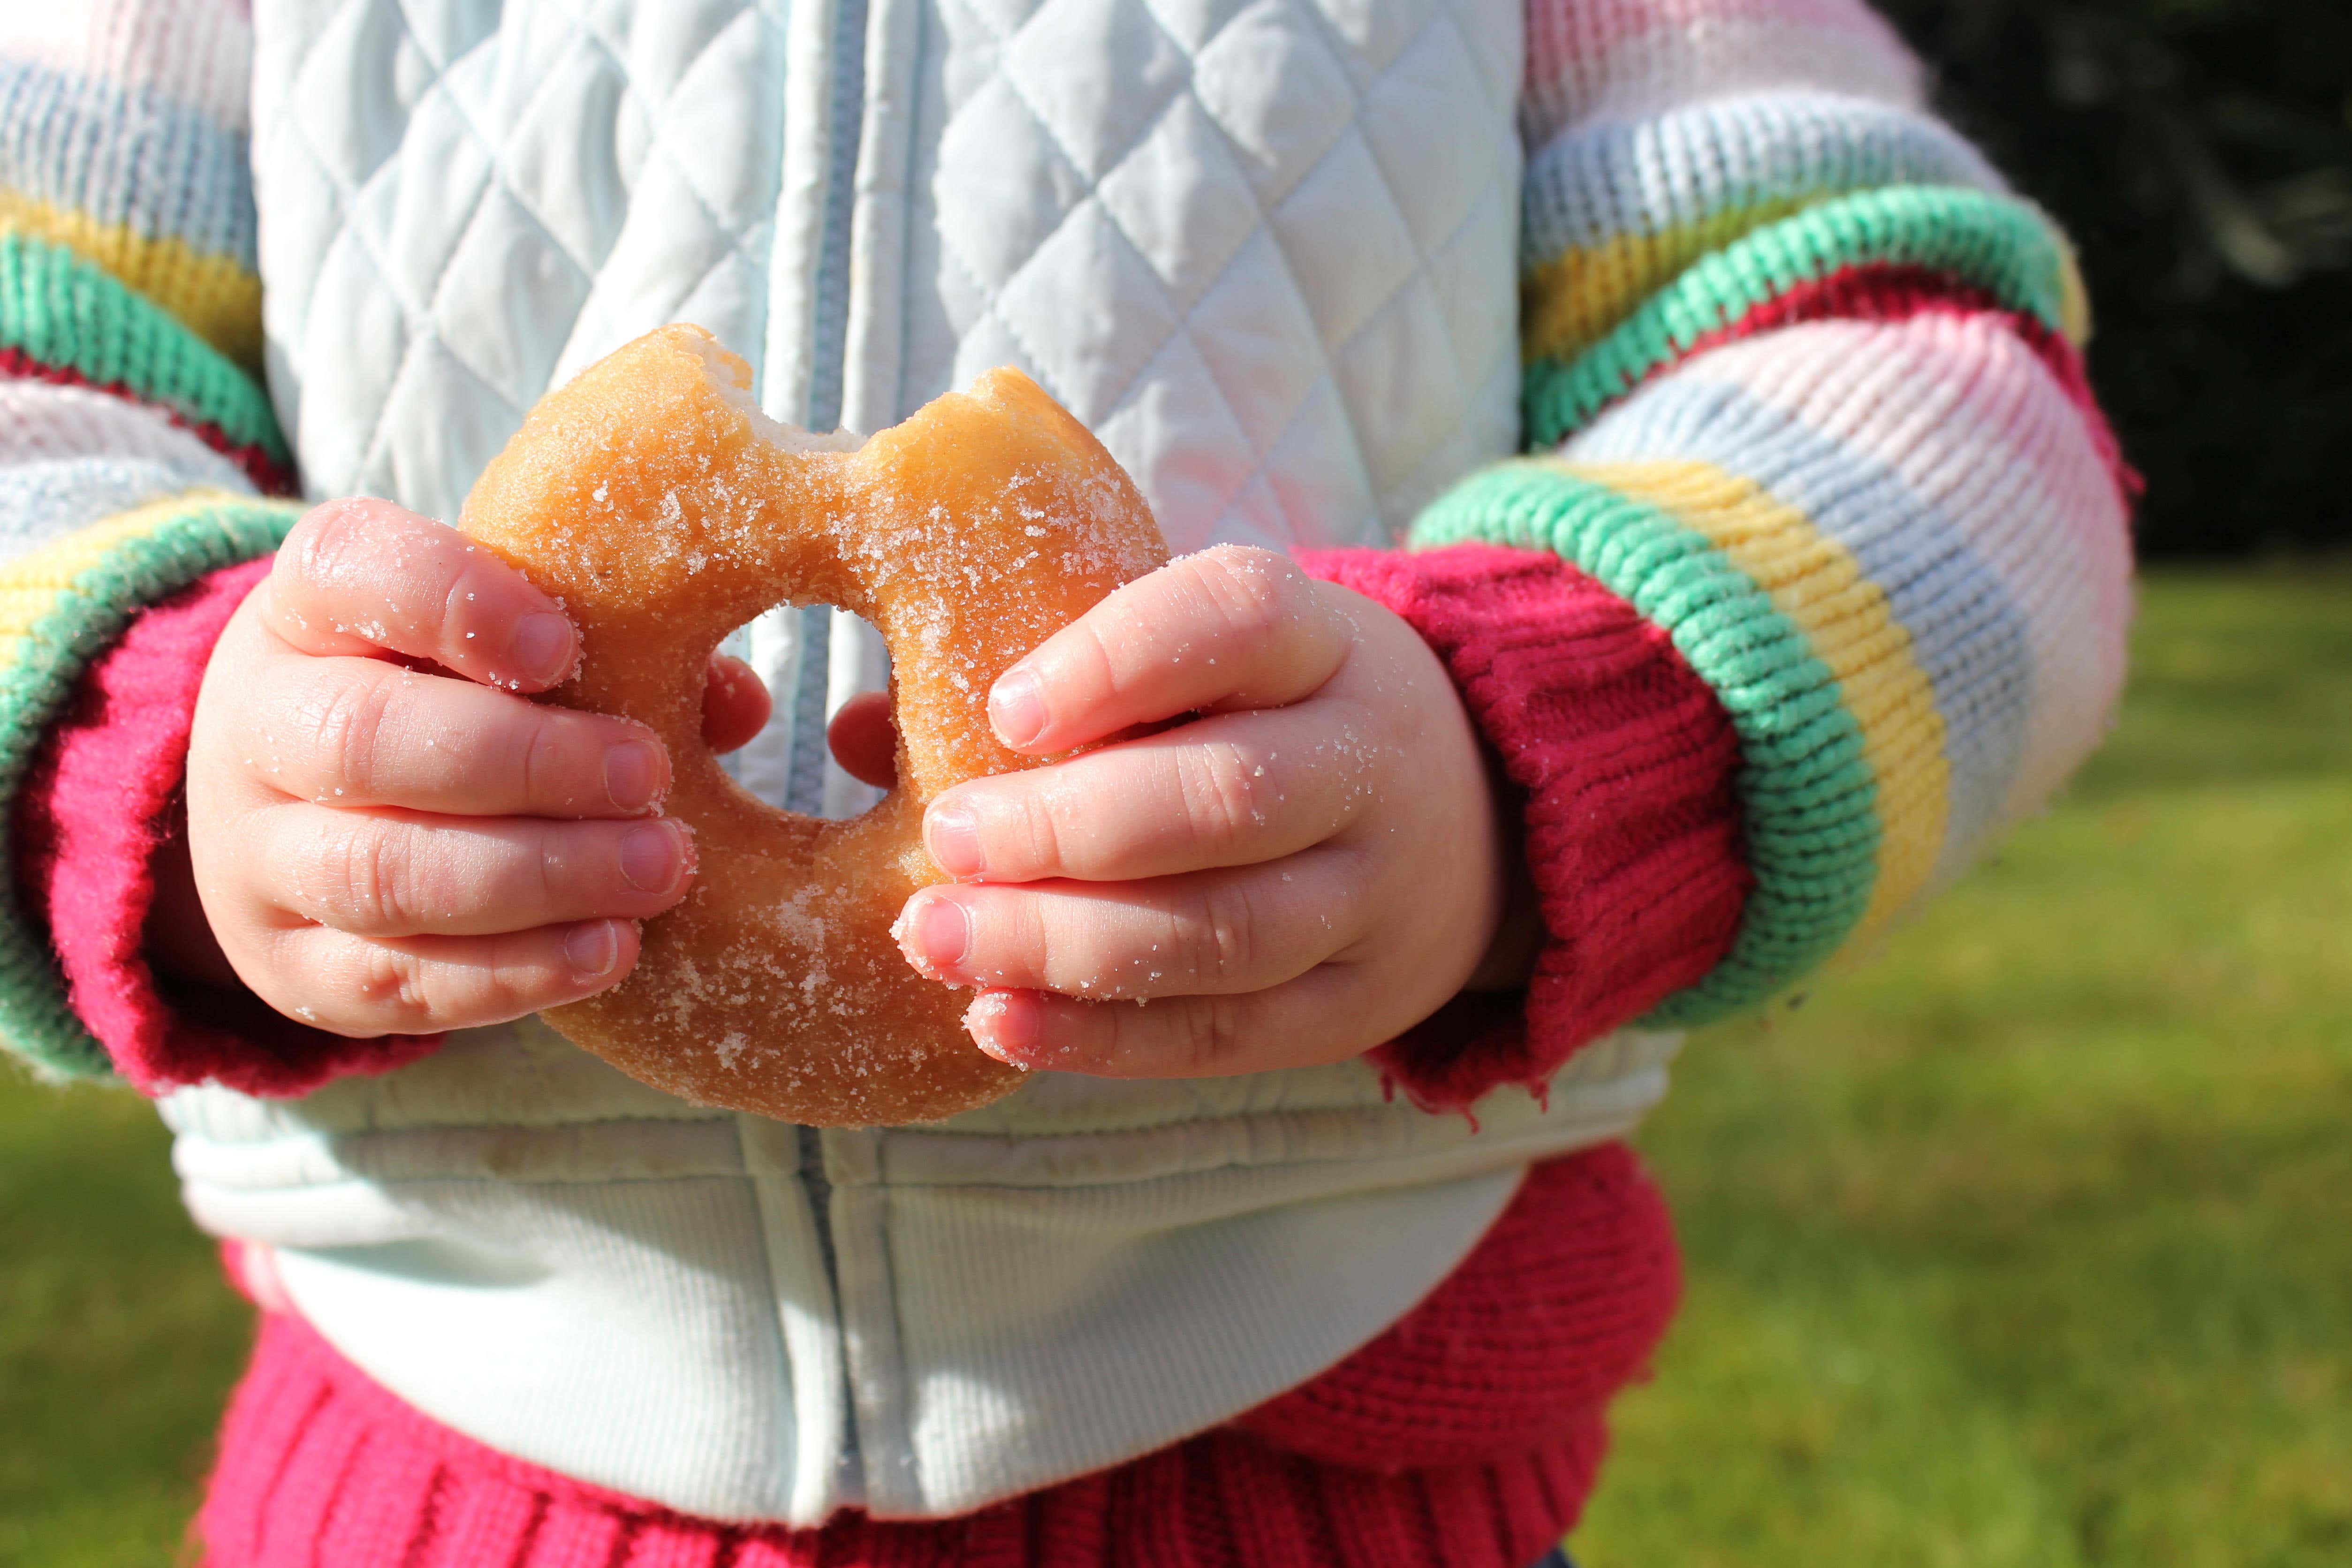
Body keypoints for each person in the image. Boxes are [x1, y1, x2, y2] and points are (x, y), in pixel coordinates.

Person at [0, 0, 2135, 1562]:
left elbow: (1928, 379)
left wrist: (1533, 749)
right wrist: (160, 754)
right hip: (440, 1445)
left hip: (1330, 1448)